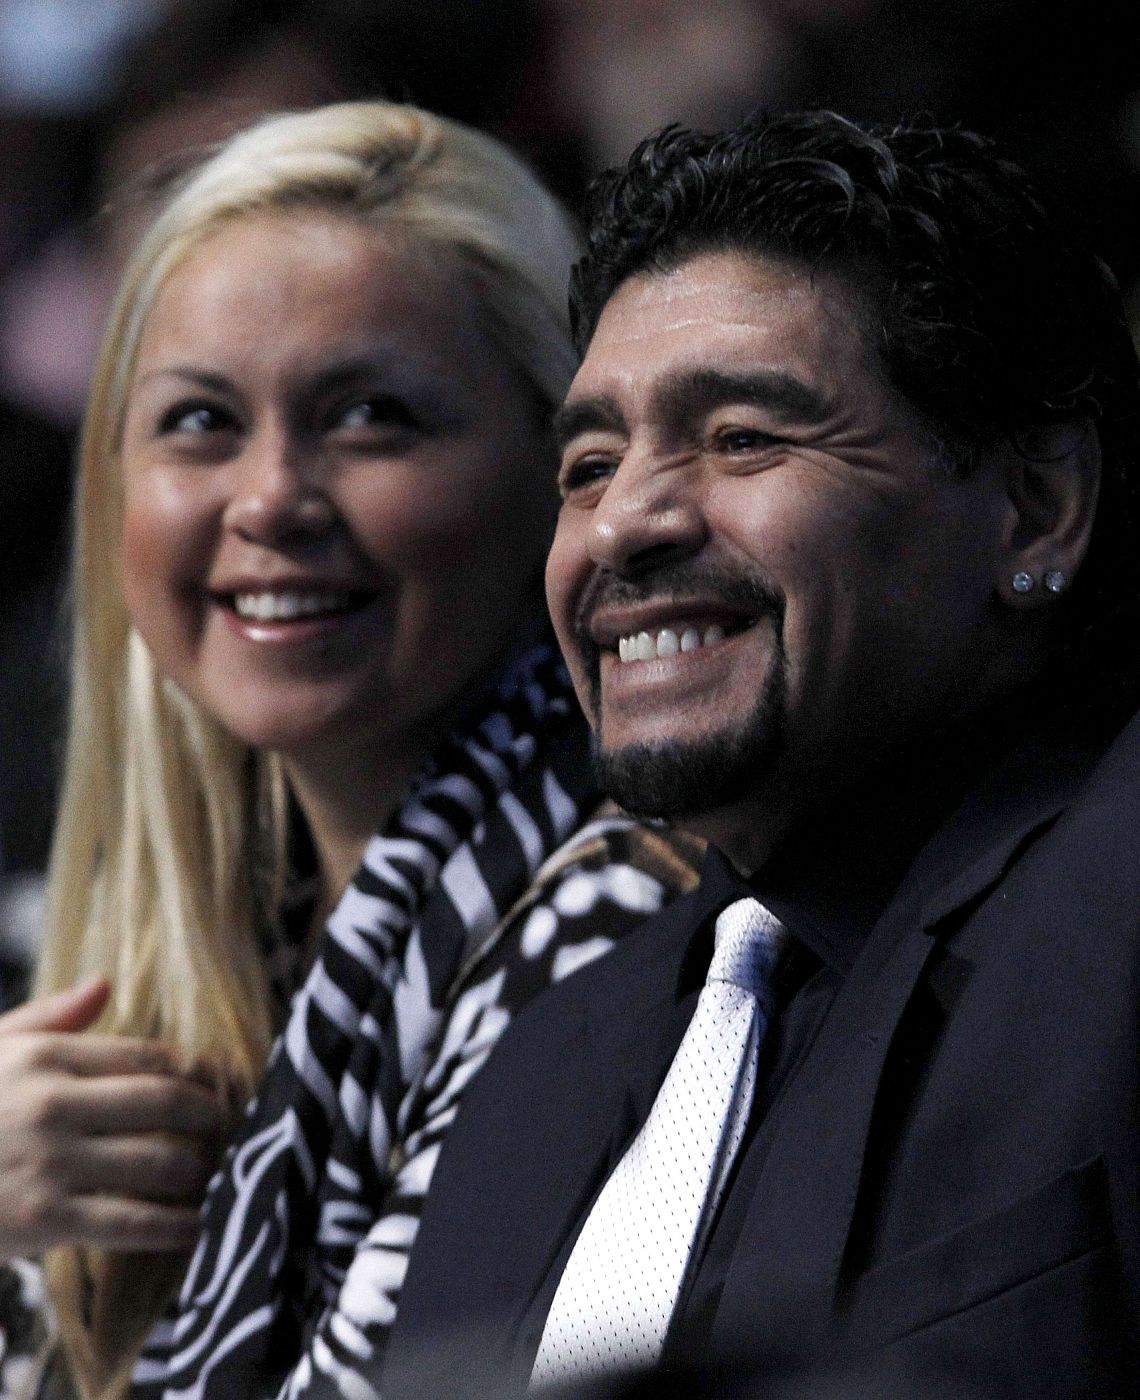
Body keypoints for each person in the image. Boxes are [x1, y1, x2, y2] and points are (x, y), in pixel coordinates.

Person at [380, 111, 1140, 1398]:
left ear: (1035, 506)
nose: (625, 520)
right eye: (589, 462)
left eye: (742, 436)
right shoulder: (534, 1074)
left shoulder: (1117, 898)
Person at [0, 102, 703, 1400]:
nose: (270, 499)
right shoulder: (172, 956)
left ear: (563, 467)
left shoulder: (611, 941)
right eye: (201, 422)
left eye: (372, 416)